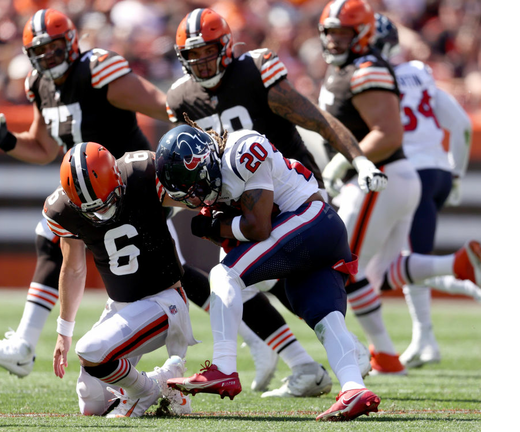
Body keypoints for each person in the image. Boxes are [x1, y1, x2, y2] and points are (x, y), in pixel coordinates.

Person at [0, 8, 322, 398]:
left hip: (133, 188)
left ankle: (277, 345)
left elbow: (165, 107)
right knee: (52, 239)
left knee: (182, 273)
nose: (48, 60)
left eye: (54, 50)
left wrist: (199, 151)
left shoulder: (96, 70)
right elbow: (45, 146)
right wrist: (6, 140)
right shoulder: (40, 85)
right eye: (41, 52)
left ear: (70, 43)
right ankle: (24, 344)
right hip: (90, 197)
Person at [165, 7, 385, 396]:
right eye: (192, 55)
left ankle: (235, 365)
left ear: (227, 46)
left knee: (234, 276)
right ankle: (325, 372)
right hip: (254, 208)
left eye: (207, 52)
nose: (200, 62)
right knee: (278, 293)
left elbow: (314, 118)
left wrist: (360, 158)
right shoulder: (182, 98)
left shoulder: (254, 72)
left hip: (292, 202)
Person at [157, 120, 382, 421]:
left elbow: (258, 227)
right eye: (189, 192)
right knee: (325, 319)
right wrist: (217, 226)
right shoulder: (214, 187)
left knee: (225, 274)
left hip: (311, 220)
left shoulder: (242, 151)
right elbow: (238, 235)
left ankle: (224, 367)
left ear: (209, 160)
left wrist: (214, 224)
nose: (196, 197)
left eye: (198, 184)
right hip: (317, 238)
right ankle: (354, 389)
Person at [316, 0, 480, 375]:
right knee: (382, 270)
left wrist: (345, 159)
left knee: (340, 267)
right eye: (331, 33)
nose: (336, 41)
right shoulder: (369, 69)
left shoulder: (367, 69)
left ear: (366, 35)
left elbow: (388, 133)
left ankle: (381, 354)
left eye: (345, 33)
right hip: (400, 177)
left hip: (379, 177)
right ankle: (455, 265)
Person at [43, 141, 200, 417]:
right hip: (122, 306)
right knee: (90, 404)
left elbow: (195, 198)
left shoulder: (141, 172)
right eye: (91, 210)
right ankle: (165, 384)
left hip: (164, 302)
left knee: (91, 350)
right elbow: (73, 269)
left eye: (106, 204)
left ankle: (147, 389)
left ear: (117, 177)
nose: (102, 214)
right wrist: (63, 331)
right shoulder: (62, 210)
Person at [365, 13, 480, 368]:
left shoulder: (369, 79)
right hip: (438, 172)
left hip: (406, 174)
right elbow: (460, 125)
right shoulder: (418, 72)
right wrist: (456, 175)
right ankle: (425, 335)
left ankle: (467, 291)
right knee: (406, 259)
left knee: (389, 264)